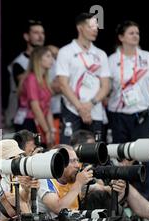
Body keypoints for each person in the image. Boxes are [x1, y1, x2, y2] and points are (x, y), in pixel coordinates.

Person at [107, 21, 149, 203]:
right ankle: (123, 201)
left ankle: (145, 201)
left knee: (144, 158)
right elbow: (106, 87)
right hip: (118, 115)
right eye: (131, 33)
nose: (136, 36)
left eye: (137, 32)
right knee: (121, 158)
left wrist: (146, 102)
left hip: (141, 115)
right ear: (121, 37)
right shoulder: (112, 60)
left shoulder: (147, 57)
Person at [56, 13, 110, 143]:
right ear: (80, 28)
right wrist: (80, 108)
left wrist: (90, 104)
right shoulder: (65, 51)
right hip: (72, 109)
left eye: (96, 26)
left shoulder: (101, 54)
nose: (95, 29)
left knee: (95, 154)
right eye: (91, 26)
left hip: (94, 111)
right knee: (68, 151)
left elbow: (106, 86)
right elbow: (63, 84)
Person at [5, 19, 45, 129]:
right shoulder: (19, 62)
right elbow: (28, 89)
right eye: (36, 33)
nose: (40, 36)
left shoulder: (50, 60)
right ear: (26, 37)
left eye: (42, 33)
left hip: (47, 115)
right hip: (25, 118)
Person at [15, 46, 55, 147]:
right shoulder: (31, 79)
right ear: (39, 59)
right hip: (28, 123)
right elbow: (35, 107)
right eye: (48, 56)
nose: (52, 59)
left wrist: (51, 130)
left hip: (40, 122)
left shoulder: (44, 80)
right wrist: (47, 131)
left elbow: (48, 108)